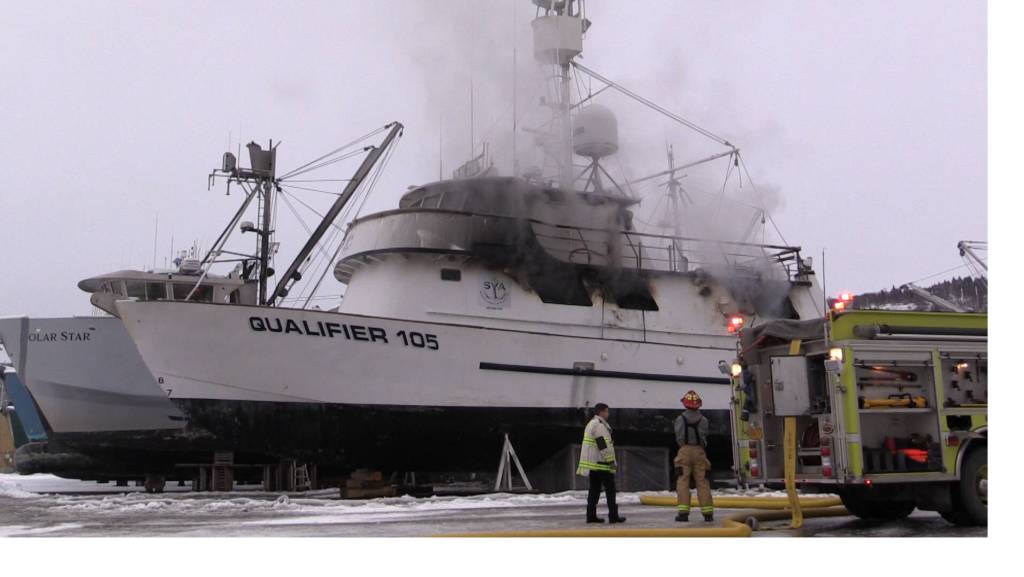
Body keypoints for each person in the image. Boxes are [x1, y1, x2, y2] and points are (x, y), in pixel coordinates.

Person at [576, 403, 626, 524]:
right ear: (602, 412)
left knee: (594, 490)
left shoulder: (591, 424)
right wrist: (610, 461)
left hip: (594, 464)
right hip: (602, 463)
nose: (608, 414)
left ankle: (591, 515)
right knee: (610, 490)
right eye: (607, 411)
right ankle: (613, 516)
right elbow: (602, 445)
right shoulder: (599, 426)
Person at [674, 390, 713, 522]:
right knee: (702, 481)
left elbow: (679, 437)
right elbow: (705, 436)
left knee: (683, 481)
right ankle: (708, 513)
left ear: (685, 404)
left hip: (684, 451)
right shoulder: (704, 420)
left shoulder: (680, 419)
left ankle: (683, 513)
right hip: (699, 451)